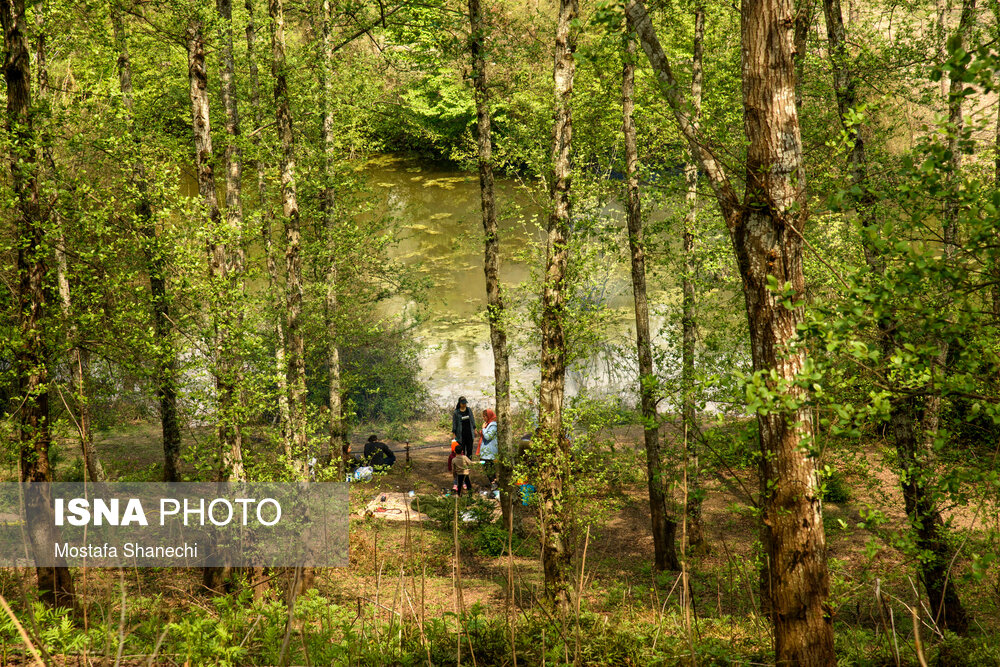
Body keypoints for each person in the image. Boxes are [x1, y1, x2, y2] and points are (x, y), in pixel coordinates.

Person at [477, 408, 498, 487]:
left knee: (489, 468)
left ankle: (494, 483)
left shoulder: (493, 425)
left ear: (488, 416)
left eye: (485, 416)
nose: (483, 418)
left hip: (489, 451)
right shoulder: (488, 424)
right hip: (486, 451)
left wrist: (483, 429)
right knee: (487, 467)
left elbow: (488, 436)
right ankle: (493, 482)